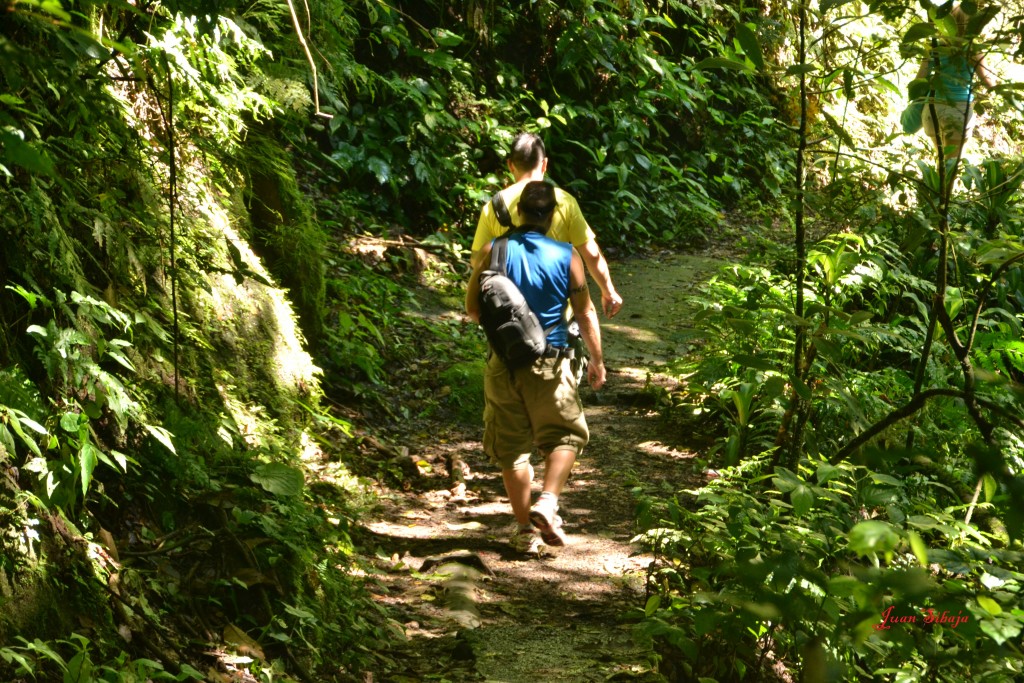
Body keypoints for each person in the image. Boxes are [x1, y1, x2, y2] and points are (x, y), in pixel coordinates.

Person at [465, 181, 607, 555]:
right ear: (552, 216)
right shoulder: (568, 256)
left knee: (512, 450)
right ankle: (547, 501)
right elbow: (584, 311)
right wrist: (596, 358)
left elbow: (473, 310)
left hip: (503, 362)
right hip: (551, 362)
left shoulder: (492, 250)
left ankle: (525, 529)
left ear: (519, 213)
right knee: (565, 437)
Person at [471, 132, 624, 319]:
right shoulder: (564, 201)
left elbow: (478, 261)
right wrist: (608, 291)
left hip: (508, 322)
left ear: (510, 165)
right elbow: (591, 255)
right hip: (556, 319)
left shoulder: (493, 207)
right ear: (544, 164)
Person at [913, 5, 995, 158]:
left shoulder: (934, 48)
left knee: (941, 163)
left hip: (932, 109)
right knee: (951, 169)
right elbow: (988, 81)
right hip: (958, 110)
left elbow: (919, 79)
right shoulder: (972, 49)